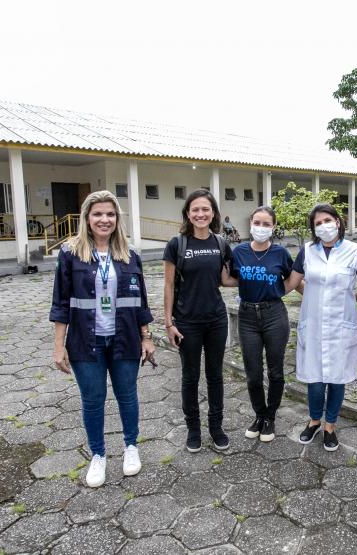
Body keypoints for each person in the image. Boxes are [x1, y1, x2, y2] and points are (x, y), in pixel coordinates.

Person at [50, 190, 155, 488]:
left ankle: (131, 447)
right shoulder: (70, 253)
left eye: (110, 214)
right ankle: (98, 455)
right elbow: (60, 302)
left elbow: (141, 300)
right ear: (87, 218)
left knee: (127, 396)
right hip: (86, 342)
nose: (104, 219)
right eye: (97, 214)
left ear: (117, 218)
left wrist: (146, 337)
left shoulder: (129, 253)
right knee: (93, 401)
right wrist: (59, 345)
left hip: (125, 339)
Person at [284, 204, 357, 451]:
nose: (323, 225)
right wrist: (257, 287)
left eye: (327, 220)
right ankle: (314, 420)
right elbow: (291, 284)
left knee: (337, 378)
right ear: (313, 228)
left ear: (338, 221)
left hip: (340, 326)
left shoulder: (355, 251)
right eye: (317, 223)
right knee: (315, 379)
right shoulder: (307, 251)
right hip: (313, 324)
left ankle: (330, 426)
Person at [164, 189, 233, 452]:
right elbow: (169, 285)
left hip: (216, 319)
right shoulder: (177, 244)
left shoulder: (221, 244)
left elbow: (227, 279)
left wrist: (263, 282)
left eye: (205, 209)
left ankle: (216, 427)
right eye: (195, 209)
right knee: (190, 377)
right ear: (188, 214)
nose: (200, 214)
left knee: (215, 376)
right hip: (187, 322)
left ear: (213, 213)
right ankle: (193, 429)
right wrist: (169, 323)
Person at [221, 206, 294, 442]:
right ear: (250, 223)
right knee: (253, 373)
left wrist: (277, 290)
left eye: (266, 224)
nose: (261, 228)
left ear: (273, 227)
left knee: (275, 370)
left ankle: (270, 416)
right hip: (248, 315)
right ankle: (259, 415)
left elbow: (293, 279)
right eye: (257, 223)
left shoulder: (280, 254)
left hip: (274, 314)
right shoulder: (239, 251)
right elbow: (230, 279)